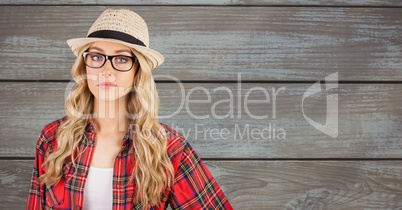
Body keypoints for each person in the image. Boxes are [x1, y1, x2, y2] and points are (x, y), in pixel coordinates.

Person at [26, 8, 233, 210]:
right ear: (85, 65)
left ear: (138, 72)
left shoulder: (168, 147)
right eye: (96, 57)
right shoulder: (53, 138)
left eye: (122, 59)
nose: (107, 71)